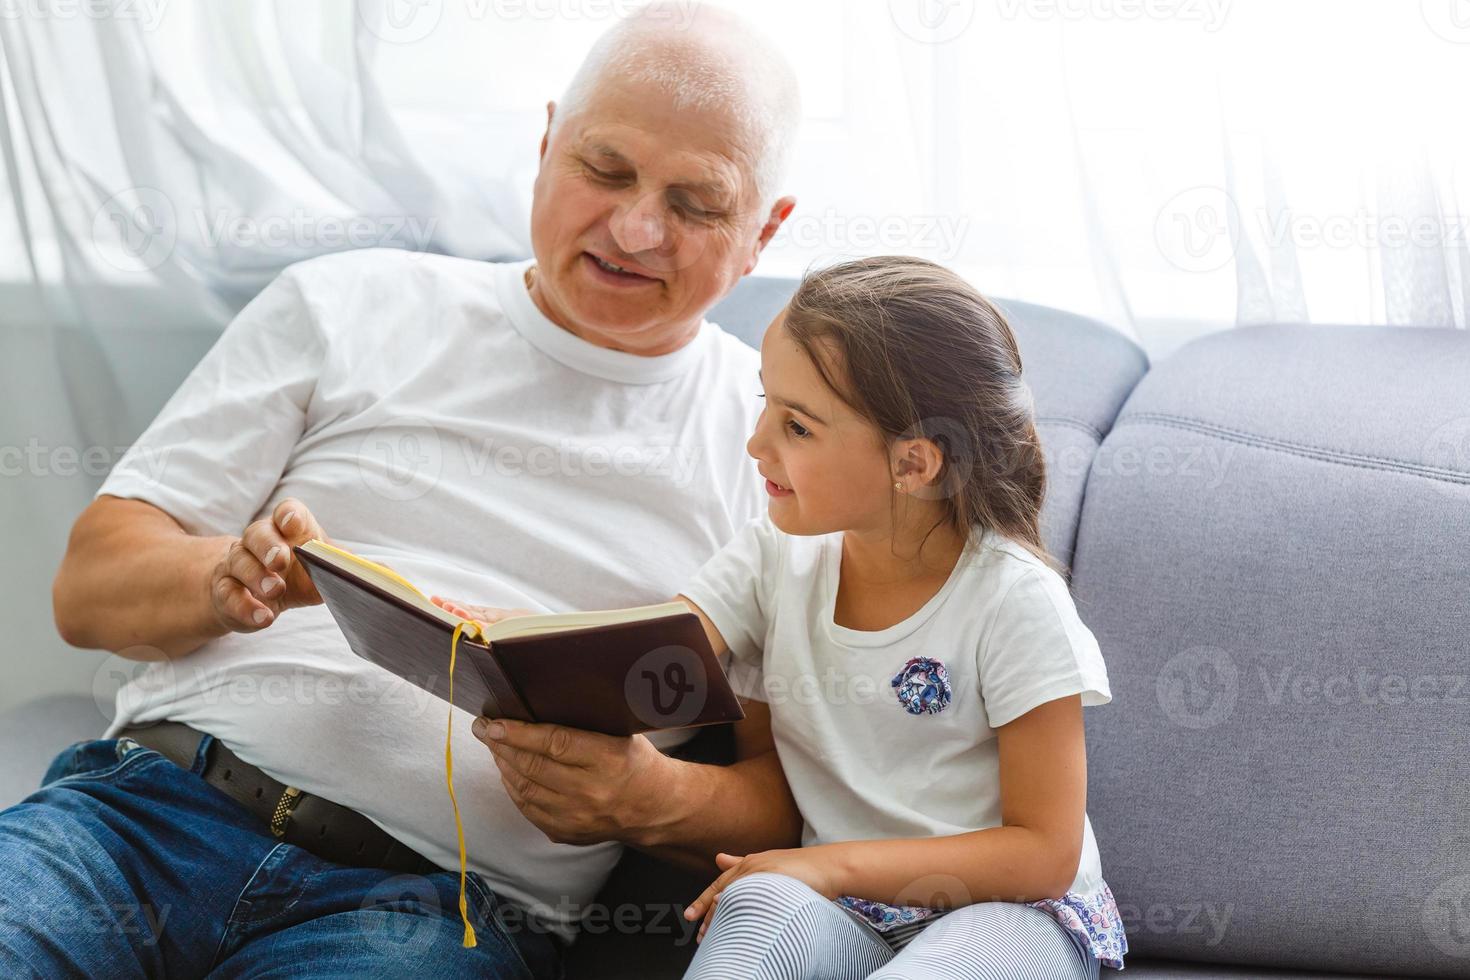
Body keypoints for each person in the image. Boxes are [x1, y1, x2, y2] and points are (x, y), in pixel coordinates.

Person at [13, 5, 804, 976]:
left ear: (765, 230)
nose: (636, 227)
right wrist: (221, 575)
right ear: (547, 142)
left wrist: (650, 797)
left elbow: (793, 793)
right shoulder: (350, 302)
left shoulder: (780, 456)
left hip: (436, 912)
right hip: (142, 818)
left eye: (696, 203)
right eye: (605, 170)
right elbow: (87, 588)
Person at [442, 256, 1130, 978]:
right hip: (839, 905)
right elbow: (641, 666)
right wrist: (490, 632)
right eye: (765, 403)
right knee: (758, 905)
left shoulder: (1014, 601)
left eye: (797, 426)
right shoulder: (775, 555)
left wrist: (828, 866)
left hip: (1009, 912)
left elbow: (1044, 855)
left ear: (914, 464)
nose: (756, 443)